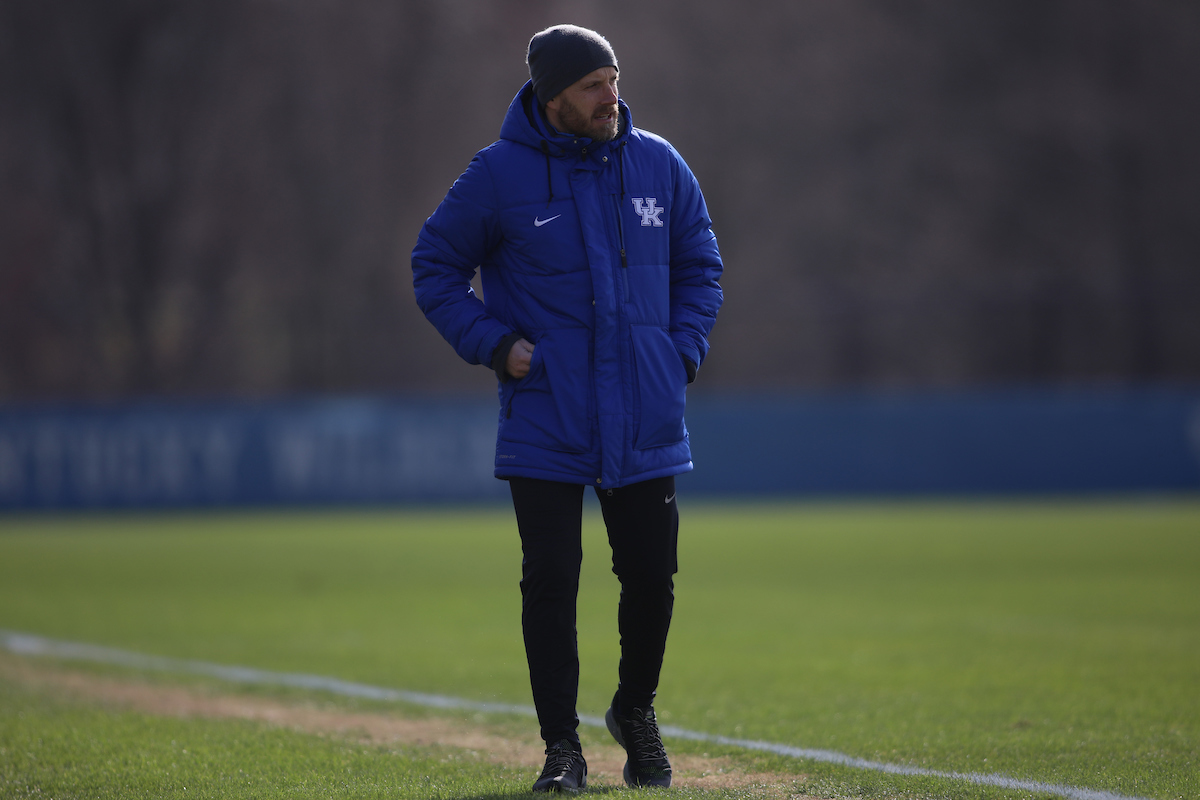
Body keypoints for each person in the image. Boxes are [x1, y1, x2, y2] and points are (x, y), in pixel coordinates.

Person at [412, 23, 723, 793]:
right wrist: (494, 344)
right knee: (551, 579)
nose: (610, 95)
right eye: (592, 85)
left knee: (652, 578)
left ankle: (635, 711)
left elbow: (701, 267)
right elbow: (434, 267)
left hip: (646, 415)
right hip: (547, 414)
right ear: (553, 98)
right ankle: (562, 749)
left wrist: (678, 352)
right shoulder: (495, 176)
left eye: (613, 78)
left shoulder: (659, 165)